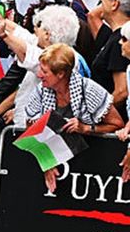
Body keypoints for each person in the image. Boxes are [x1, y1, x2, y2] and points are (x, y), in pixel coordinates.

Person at [27, 43, 124, 193]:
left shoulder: (89, 90)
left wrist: (86, 128)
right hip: (55, 169)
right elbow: (30, 125)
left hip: (90, 167)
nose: (39, 74)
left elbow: (117, 124)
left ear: (60, 74)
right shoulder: (41, 90)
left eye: (44, 71)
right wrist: (45, 161)